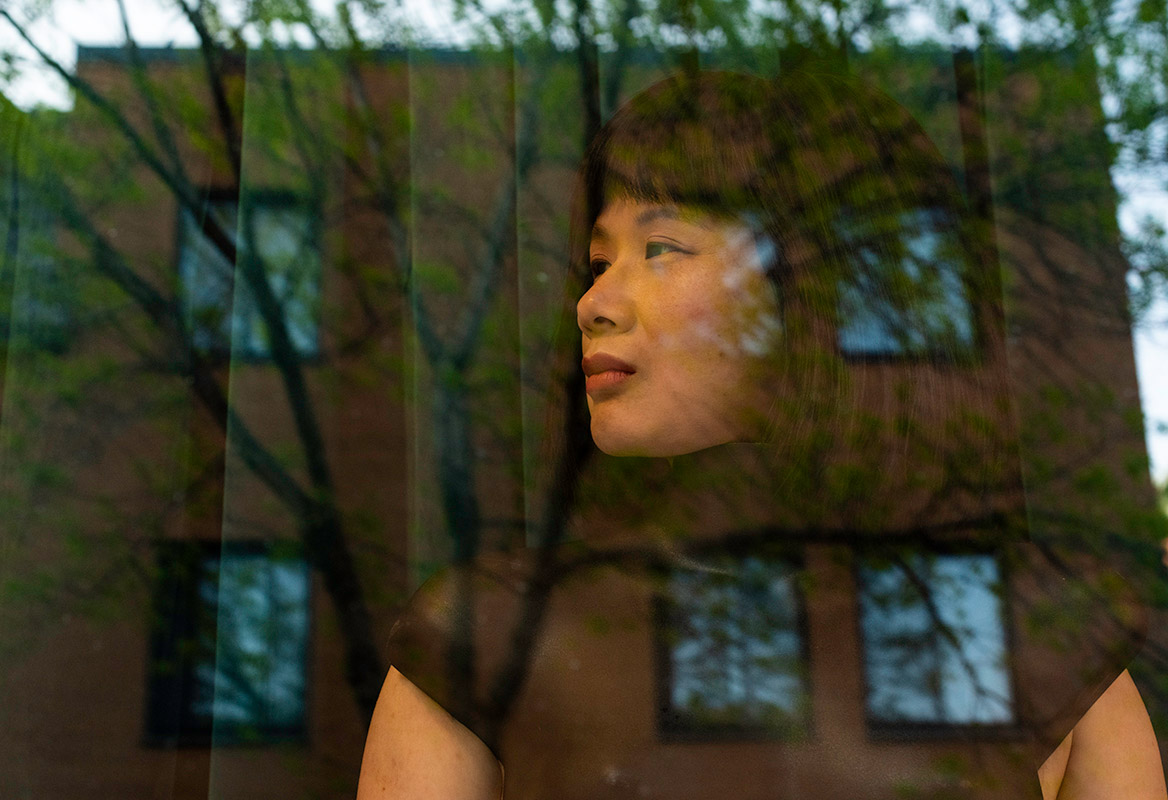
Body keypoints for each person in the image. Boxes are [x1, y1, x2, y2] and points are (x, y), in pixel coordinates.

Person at [359, 69, 1165, 800]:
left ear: (812, 288)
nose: (593, 302)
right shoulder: (477, 639)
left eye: (662, 248)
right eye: (597, 263)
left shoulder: (1042, 638)